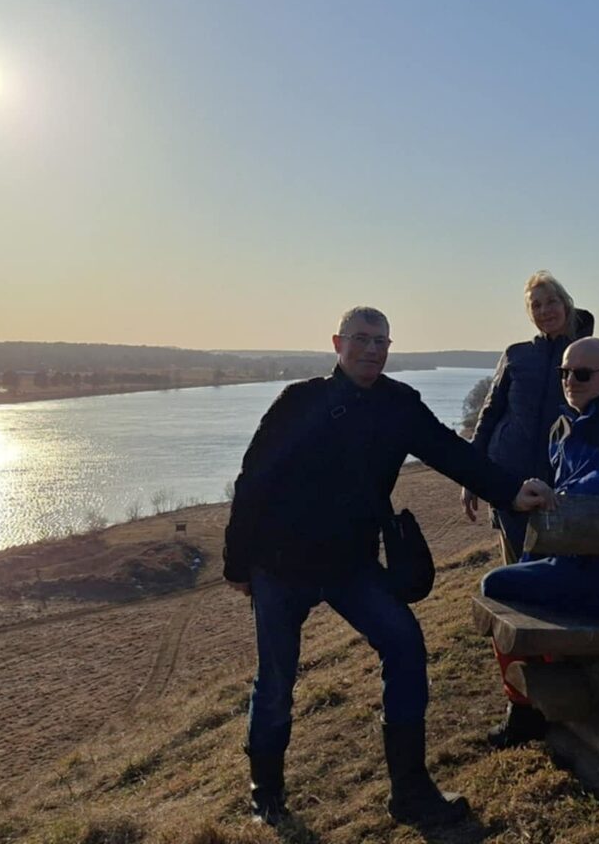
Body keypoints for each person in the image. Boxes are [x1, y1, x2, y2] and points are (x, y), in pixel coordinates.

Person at [222, 306, 554, 826]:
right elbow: (252, 481)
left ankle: (411, 792)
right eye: (361, 339)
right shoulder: (299, 401)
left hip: (350, 565)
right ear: (338, 343)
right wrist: (237, 564)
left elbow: (451, 453)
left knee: (404, 645)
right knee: (277, 678)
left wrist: (511, 491)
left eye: (381, 341)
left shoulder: (399, 405)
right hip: (280, 564)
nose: (371, 350)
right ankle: (266, 794)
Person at [478, 337, 599, 746]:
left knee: (497, 587)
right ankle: (544, 697)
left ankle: (526, 708)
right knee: (508, 582)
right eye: (564, 373)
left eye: (582, 374)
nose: (570, 381)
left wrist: (575, 490)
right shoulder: (562, 427)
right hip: (571, 563)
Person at [462, 271, 594, 562]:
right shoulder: (516, 355)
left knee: (558, 570)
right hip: (509, 479)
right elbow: (489, 415)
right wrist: (471, 475)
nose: (545, 310)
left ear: (566, 304)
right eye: (536, 305)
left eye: (551, 302)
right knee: (514, 572)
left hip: (562, 482)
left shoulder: (584, 355)